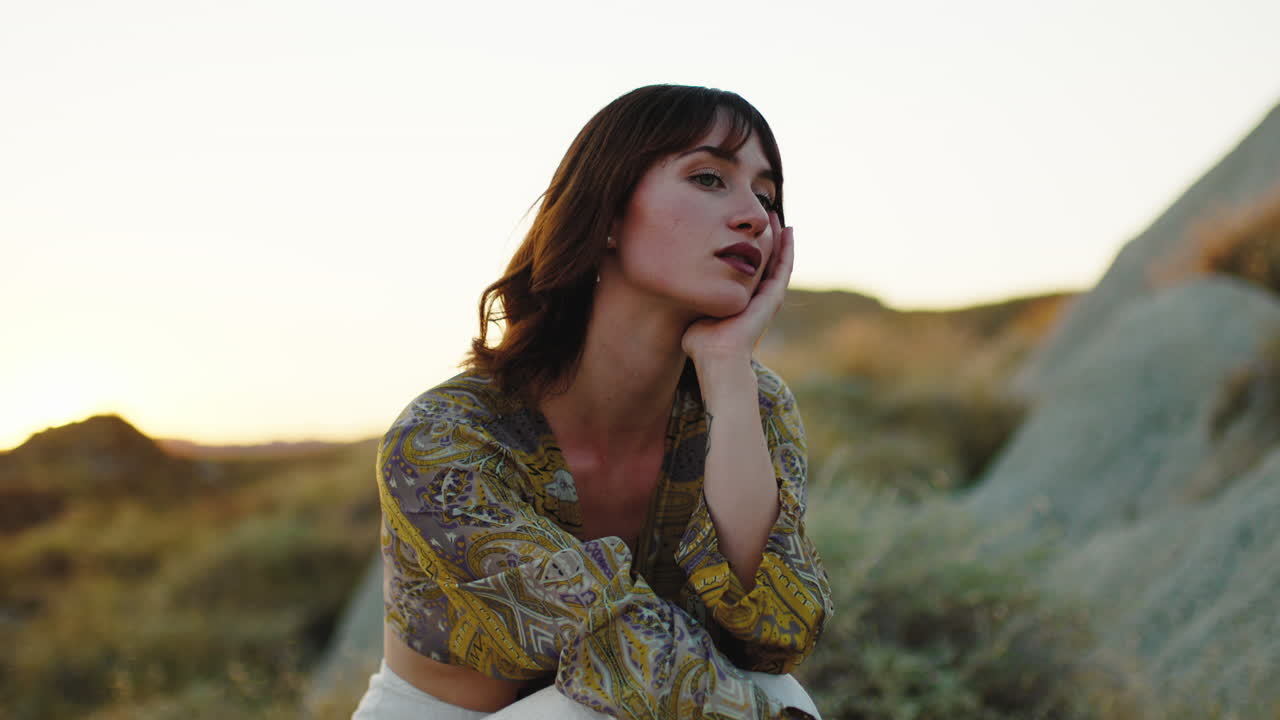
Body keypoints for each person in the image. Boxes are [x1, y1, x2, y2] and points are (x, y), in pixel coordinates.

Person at [352, 84, 833, 720]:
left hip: (635, 705)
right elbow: (616, 652)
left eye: (767, 197)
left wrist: (726, 368)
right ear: (606, 213)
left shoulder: (754, 402)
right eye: (710, 178)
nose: (753, 215)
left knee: (777, 691)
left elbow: (776, 635)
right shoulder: (446, 437)